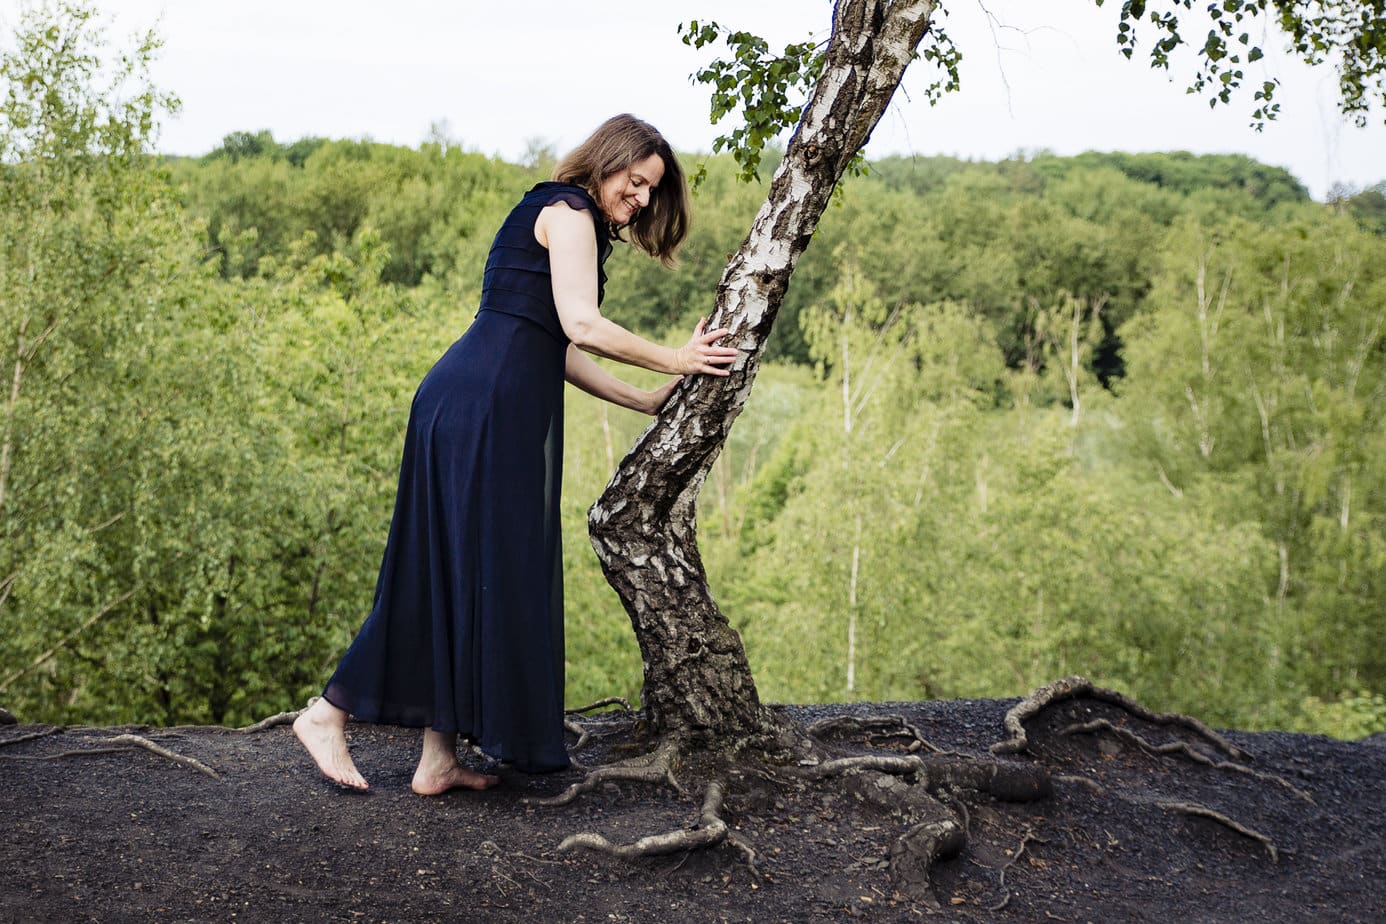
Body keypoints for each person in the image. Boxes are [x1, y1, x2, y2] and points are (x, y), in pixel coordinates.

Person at [294, 114, 737, 794]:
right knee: (441, 572)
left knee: (465, 572)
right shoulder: (566, 211)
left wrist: (644, 398)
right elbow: (583, 325)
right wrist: (677, 357)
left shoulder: (558, 214)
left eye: (651, 191)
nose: (642, 200)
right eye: (637, 182)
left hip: (477, 405)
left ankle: (437, 759)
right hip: (479, 409)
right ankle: (327, 713)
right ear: (609, 160)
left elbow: (552, 344)